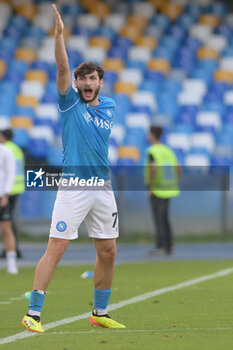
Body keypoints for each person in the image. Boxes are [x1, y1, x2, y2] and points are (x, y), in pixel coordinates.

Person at [22, 4, 125, 333]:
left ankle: (99, 311)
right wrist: (60, 35)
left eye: (91, 78)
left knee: (108, 250)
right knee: (57, 247)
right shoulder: (69, 104)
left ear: (100, 82)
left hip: (102, 187)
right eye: (81, 79)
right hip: (75, 186)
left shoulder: (108, 105)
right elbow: (63, 68)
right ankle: (33, 314)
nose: (85, 82)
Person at [145, 126, 180, 256]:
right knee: (165, 218)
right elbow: (178, 166)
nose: (147, 136)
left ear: (153, 135)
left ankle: (161, 246)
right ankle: (169, 245)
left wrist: (150, 186)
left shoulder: (152, 150)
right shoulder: (167, 150)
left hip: (158, 189)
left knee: (158, 218)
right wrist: (175, 180)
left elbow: (153, 168)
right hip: (169, 187)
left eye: (149, 134)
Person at [0, 129, 25, 259]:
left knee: (7, 222)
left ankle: (12, 249)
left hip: (9, 189)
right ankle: (13, 248)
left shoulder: (6, 149)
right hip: (17, 187)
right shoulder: (16, 148)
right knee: (9, 221)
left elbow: (8, 171)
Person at [0, 143, 18, 274]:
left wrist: (6, 194)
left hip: (2, 196)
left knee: (6, 228)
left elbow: (11, 173)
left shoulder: (6, 151)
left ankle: (12, 264)